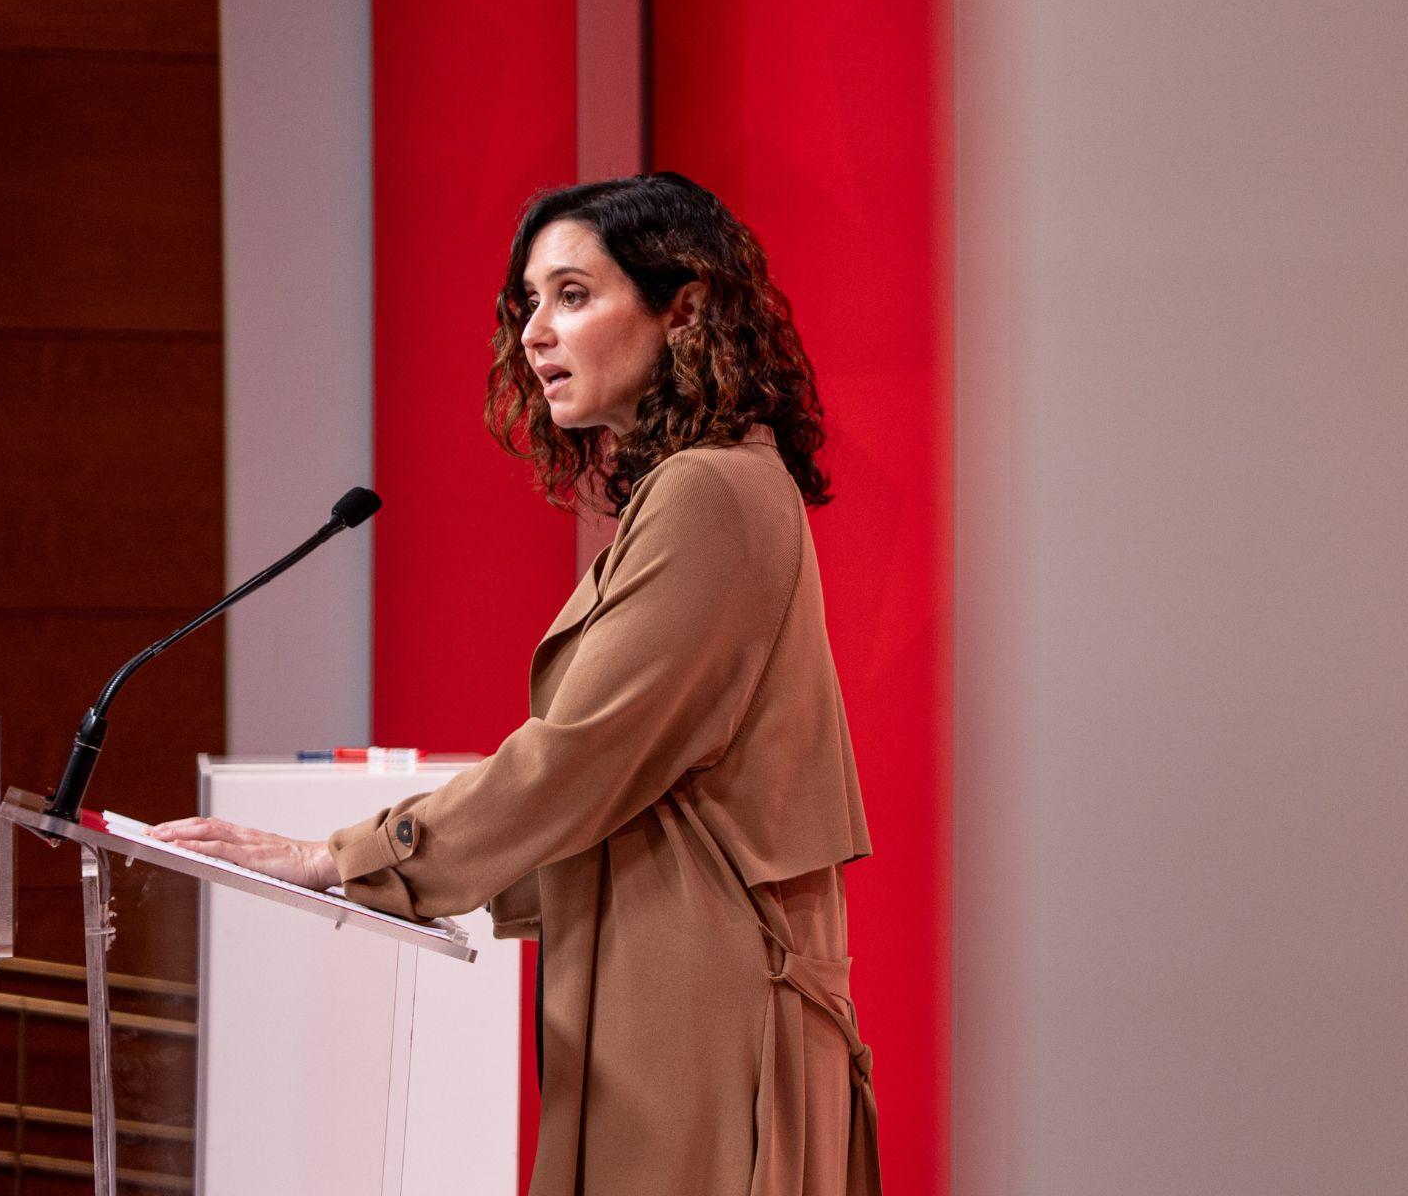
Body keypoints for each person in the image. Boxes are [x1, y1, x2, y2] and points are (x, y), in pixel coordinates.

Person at [151, 172, 879, 1196]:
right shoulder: (712, 485)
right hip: (660, 992)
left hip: (700, 1013)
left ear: (684, 308)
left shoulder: (709, 492)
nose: (535, 331)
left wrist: (337, 859)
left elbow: (574, 758)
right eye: (527, 302)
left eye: (572, 295)